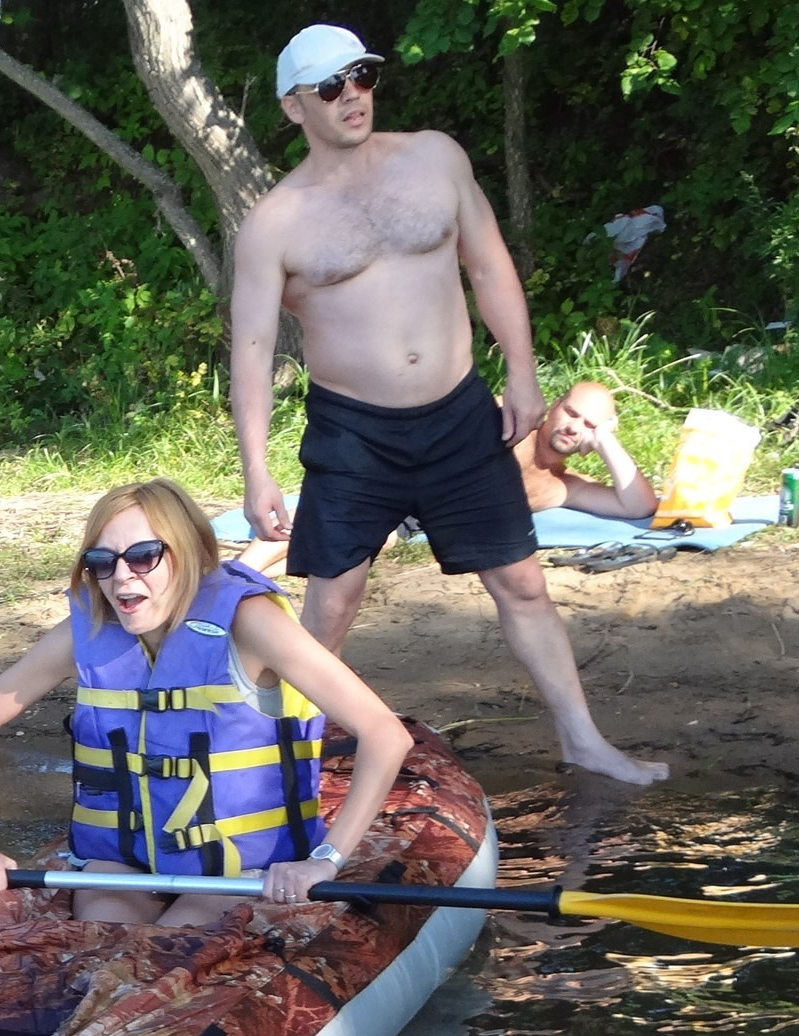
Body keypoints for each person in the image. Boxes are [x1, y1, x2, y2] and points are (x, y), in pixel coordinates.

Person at [230, 24, 667, 787]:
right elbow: (254, 352)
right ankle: (272, 756)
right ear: (294, 108)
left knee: (523, 581)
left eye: (361, 76)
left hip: (460, 414)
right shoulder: (277, 221)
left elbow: (491, 265)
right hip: (353, 429)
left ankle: (583, 740)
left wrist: (524, 373)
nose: (352, 96)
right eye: (330, 88)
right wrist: (256, 472)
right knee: (333, 600)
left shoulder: (435, 158)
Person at [0, 479, 412, 924]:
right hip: (124, 863)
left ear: (187, 554)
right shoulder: (85, 631)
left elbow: (385, 734)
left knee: (181, 940)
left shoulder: (250, 623)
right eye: (102, 561)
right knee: (105, 938)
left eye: (143, 556)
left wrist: (325, 862)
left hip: (240, 874)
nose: (121, 577)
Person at [516, 380, 658, 518]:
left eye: (589, 425)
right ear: (554, 405)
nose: (573, 428)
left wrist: (606, 442)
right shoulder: (512, 426)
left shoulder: (565, 487)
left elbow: (640, 506)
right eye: (571, 413)